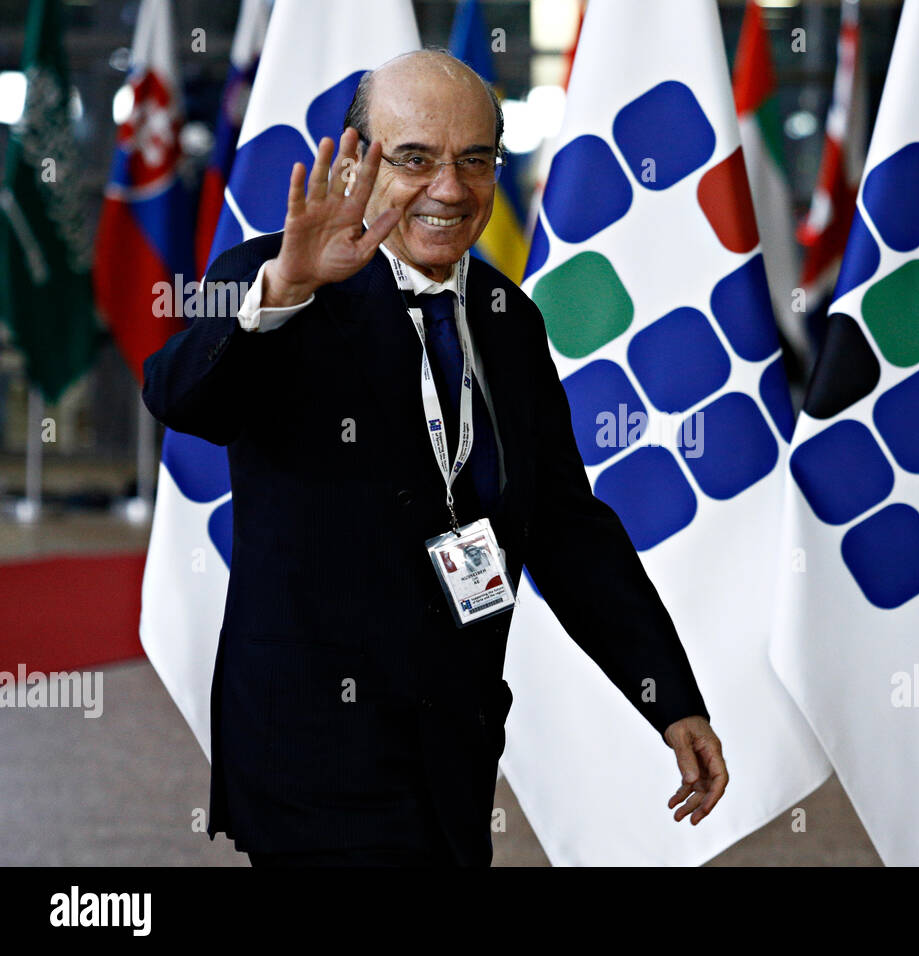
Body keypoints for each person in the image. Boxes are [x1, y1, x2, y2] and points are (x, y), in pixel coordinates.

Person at [142, 49, 728, 867]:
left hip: (453, 742)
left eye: (475, 160)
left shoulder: (507, 319)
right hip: (312, 753)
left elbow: (564, 525)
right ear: (355, 162)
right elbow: (180, 397)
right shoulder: (274, 277)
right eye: (413, 159)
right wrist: (285, 292)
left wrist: (669, 699)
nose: (450, 190)